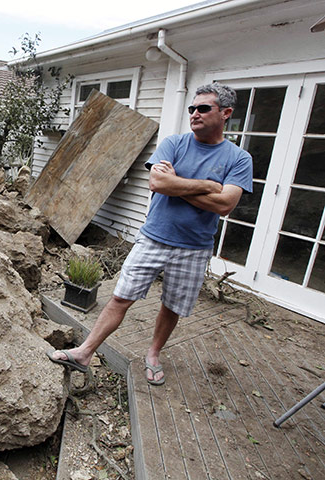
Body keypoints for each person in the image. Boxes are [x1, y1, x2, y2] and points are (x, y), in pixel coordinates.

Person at [47, 82, 253, 385]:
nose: (194, 113)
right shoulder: (174, 144)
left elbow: (225, 205)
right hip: (154, 237)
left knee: (172, 306)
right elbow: (158, 184)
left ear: (226, 113)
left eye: (203, 108)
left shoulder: (238, 159)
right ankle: (85, 351)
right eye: (191, 108)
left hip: (194, 248)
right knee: (121, 297)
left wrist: (178, 184)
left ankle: (153, 354)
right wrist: (208, 185)